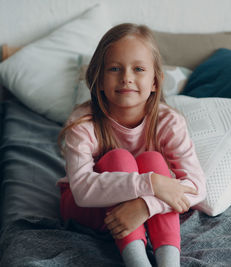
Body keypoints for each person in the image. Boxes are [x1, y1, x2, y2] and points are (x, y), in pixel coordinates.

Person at [57, 23, 206, 267]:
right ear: (100, 80)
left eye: (138, 69)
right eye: (115, 68)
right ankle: (137, 261)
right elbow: (82, 190)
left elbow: (197, 186)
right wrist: (153, 183)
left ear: (156, 81)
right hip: (87, 206)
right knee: (120, 159)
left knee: (153, 161)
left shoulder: (168, 122)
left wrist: (146, 206)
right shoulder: (84, 122)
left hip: (141, 209)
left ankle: (170, 263)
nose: (126, 78)